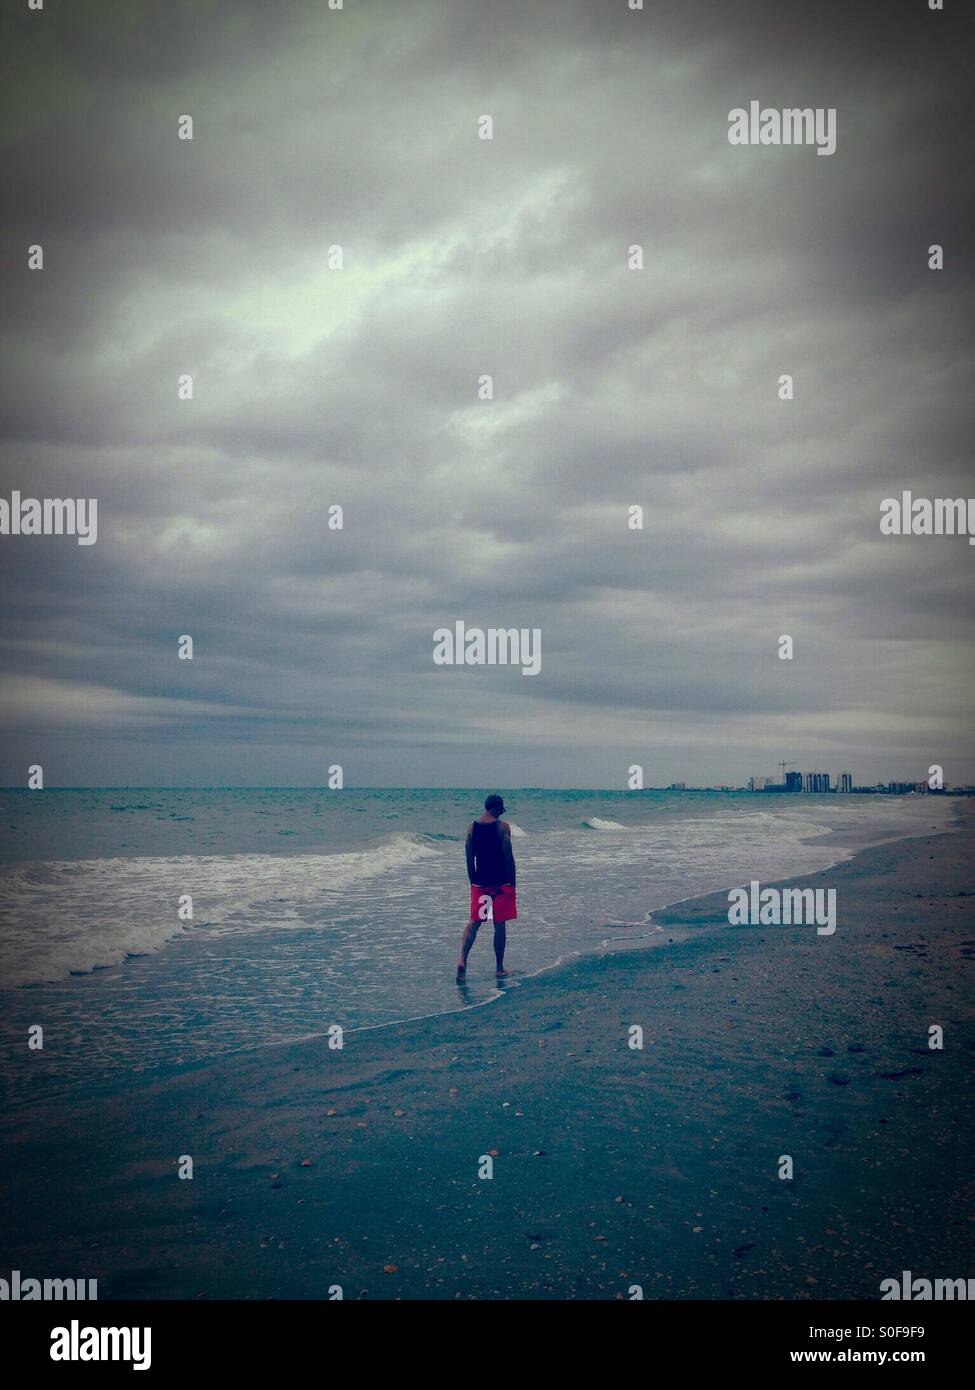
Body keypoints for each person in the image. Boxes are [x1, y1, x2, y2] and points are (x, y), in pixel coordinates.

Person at [457, 793, 517, 979]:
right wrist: (513, 882)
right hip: (500, 884)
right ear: (495, 807)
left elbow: (468, 858)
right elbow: (508, 857)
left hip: (480, 883)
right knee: (499, 925)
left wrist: (472, 880)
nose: (501, 813)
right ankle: (499, 968)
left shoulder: (471, 828)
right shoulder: (502, 828)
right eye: (500, 809)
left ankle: (462, 960)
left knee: (474, 923)